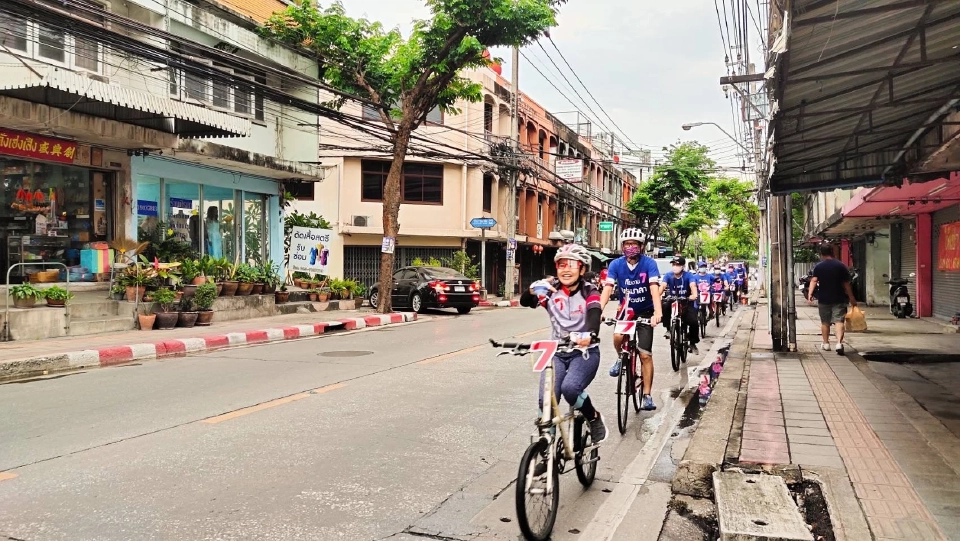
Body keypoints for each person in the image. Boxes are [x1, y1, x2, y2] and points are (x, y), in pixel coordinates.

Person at [520, 244, 607, 442]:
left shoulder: (589, 290)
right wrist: (532, 290)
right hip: (556, 352)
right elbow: (525, 301)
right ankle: (546, 447)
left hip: (584, 352)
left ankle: (594, 417)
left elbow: (595, 312)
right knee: (546, 398)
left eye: (572, 265)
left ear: (582, 269)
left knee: (570, 389)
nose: (566, 269)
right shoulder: (551, 290)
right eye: (561, 265)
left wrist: (591, 334)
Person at [600, 228, 662, 411]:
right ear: (622, 246)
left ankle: (647, 395)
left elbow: (654, 288)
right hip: (626, 311)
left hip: (645, 312)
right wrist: (598, 310)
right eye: (627, 244)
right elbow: (608, 288)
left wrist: (657, 312)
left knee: (645, 355)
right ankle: (621, 357)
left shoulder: (649, 263)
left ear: (641, 246)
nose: (630, 247)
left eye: (634, 244)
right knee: (618, 336)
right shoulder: (615, 264)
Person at [807, 244, 858, 355]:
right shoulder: (841, 266)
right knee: (839, 321)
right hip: (839, 298)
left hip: (823, 298)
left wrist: (810, 294)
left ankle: (826, 343)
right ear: (833, 252)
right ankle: (839, 343)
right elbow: (846, 284)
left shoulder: (819, 267)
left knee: (825, 322)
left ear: (821, 253)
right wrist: (852, 298)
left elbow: (814, 280)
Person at [661, 256, 700, 355]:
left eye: (677, 265)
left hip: (686, 302)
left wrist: (694, 295)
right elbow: (663, 286)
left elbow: (693, 285)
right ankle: (668, 329)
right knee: (665, 306)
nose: (675, 266)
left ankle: (692, 343)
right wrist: (657, 295)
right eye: (673, 264)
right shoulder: (668, 275)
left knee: (694, 322)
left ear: (682, 266)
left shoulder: (688, 275)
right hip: (673, 300)